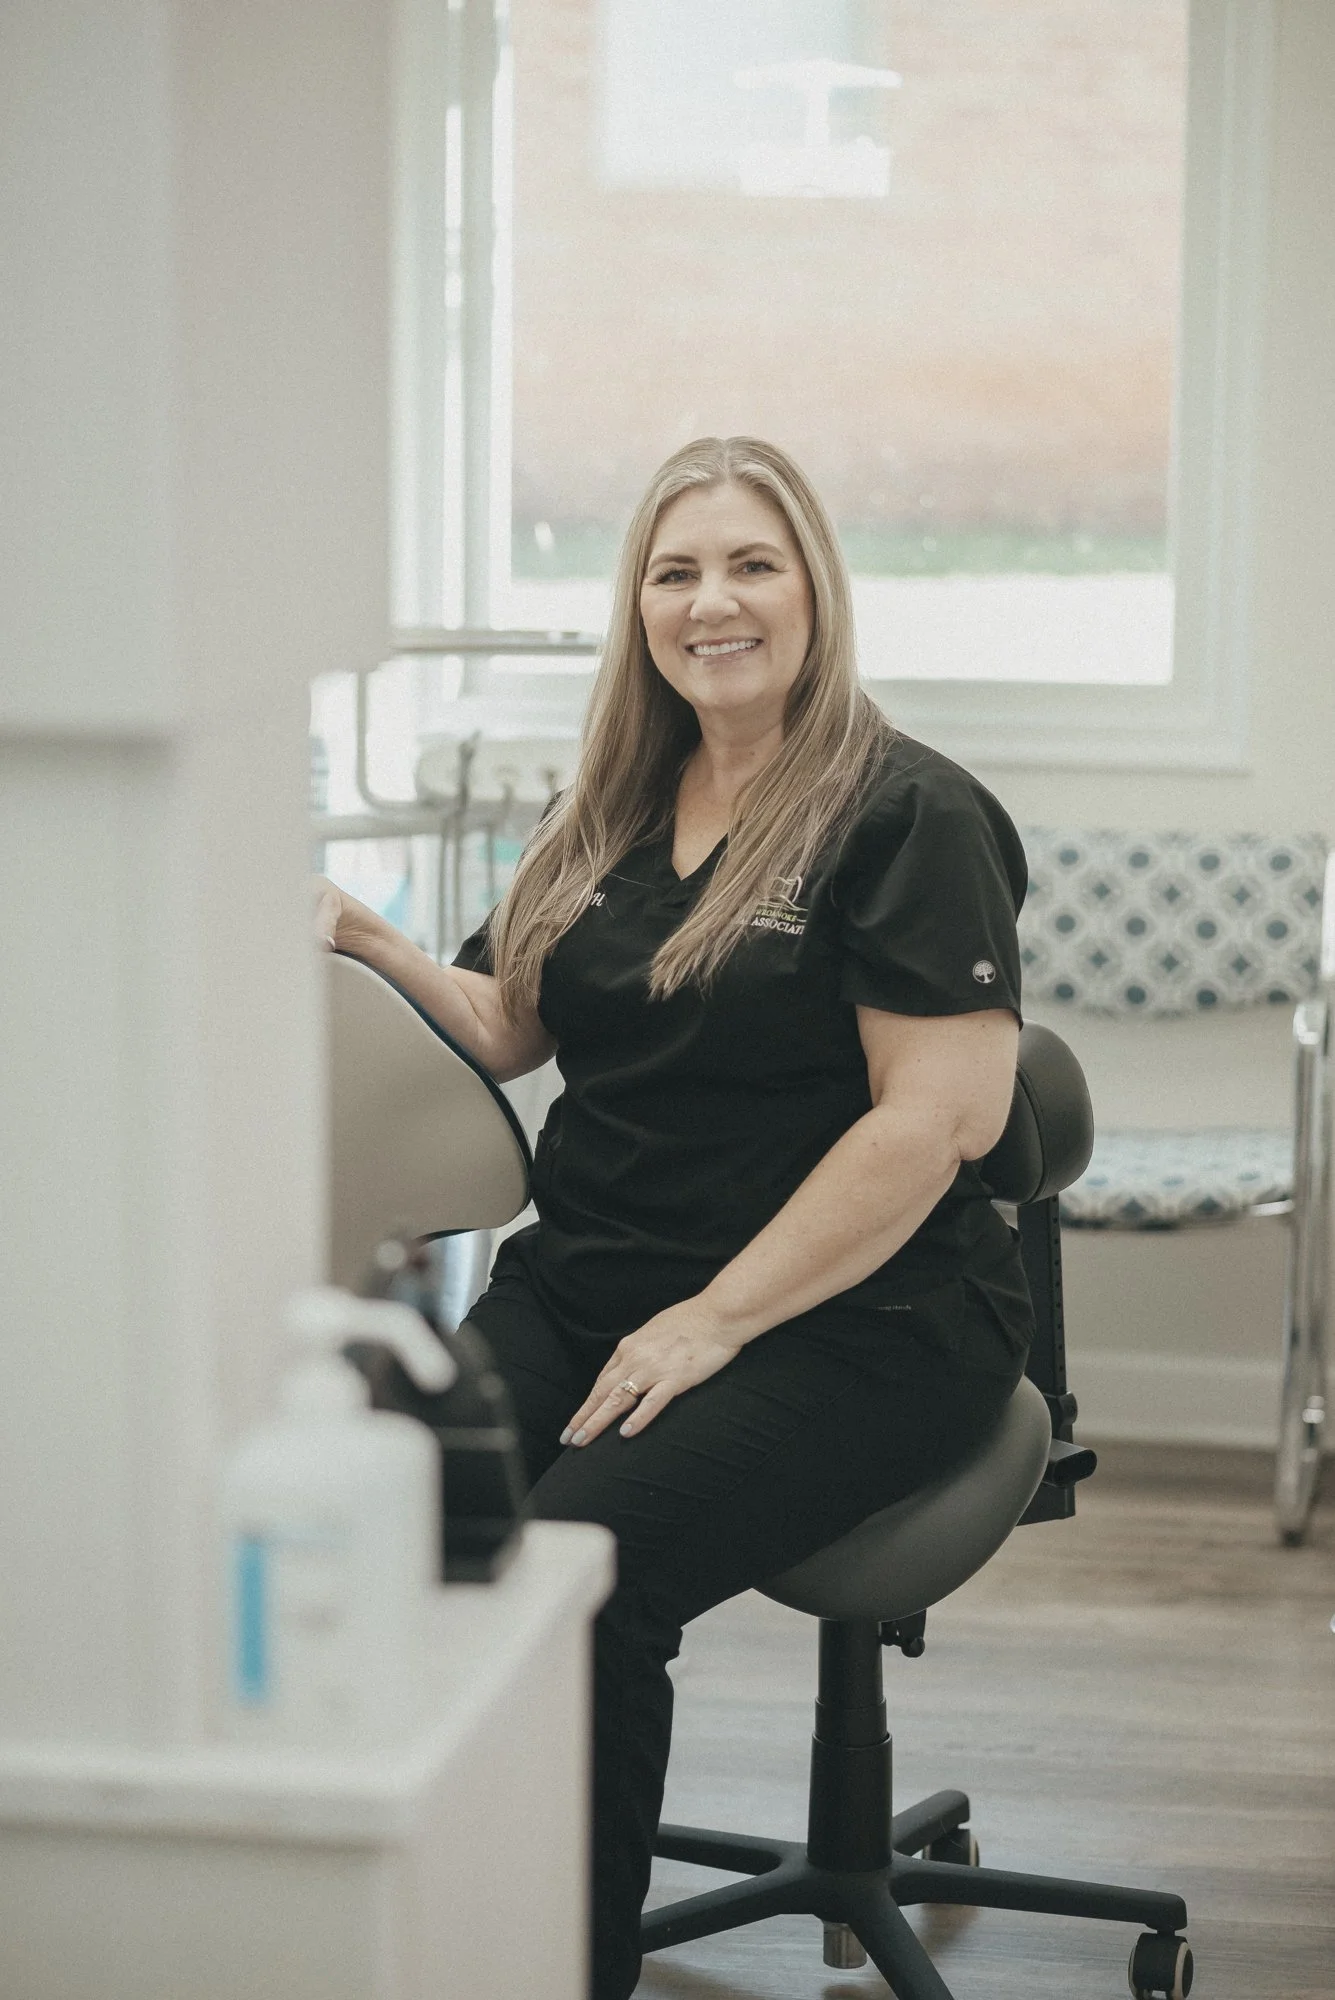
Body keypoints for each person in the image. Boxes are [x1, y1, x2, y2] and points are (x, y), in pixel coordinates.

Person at [316, 435, 1033, 2000]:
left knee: (570, 1573)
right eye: (674, 569)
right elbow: (510, 1024)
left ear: (814, 589)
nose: (713, 601)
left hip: (861, 1322)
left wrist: (713, 1320)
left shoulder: (908, 814)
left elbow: (941, 1121)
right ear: (637, 603)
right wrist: (363, 933)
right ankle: (423, 1938)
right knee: (387, 1514)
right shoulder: (613, 805)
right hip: (587, 1280)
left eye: (751, 563)